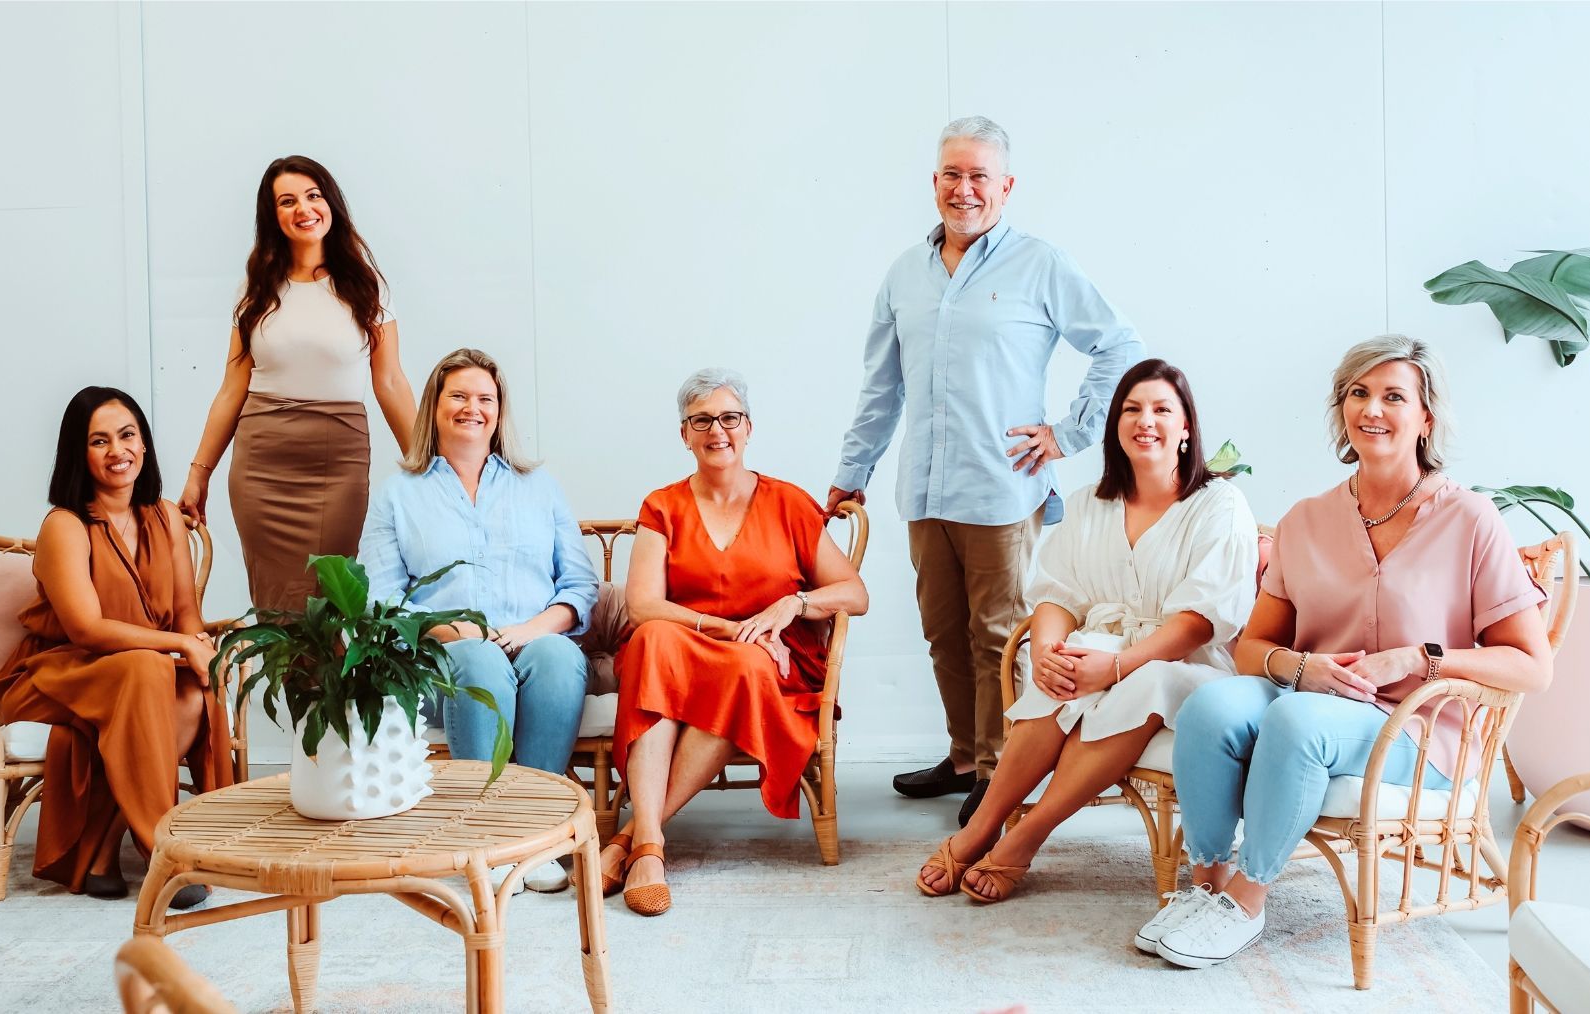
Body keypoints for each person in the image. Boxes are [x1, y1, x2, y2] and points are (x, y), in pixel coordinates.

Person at [1145, 335, 1555, 969]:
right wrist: (1304, 667)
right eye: (1358, 394)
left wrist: (1419, 658)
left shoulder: (1472, 519)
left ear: (1426, 417)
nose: (1372, 409)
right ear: (1341, 410)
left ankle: (1248, 900)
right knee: (1211, 706)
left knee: (1294, 720)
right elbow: (1254, 646)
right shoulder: (1307, 520)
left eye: (1394, 396)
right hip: (1309, 694)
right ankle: (1207, 886)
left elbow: (1532, 664)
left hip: (1419, 725)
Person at [828, 116, 1145, 823]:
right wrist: (853, 470)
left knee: (997, 634)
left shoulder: (1040, 265)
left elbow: (1118, 345)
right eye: (950, 174)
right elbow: (881, 386)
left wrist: (1069, 434)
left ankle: (1002, 771)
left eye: (977, 176)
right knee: (942, 631)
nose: (963, 188)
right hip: (925, 484)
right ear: (933, 182)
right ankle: (965, 756)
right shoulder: (903, 274)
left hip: (1002, 486)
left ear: (1005, 186)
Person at [915, 359, 1258, 903]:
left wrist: (1119, 666)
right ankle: (983, 824)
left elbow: (1200, 621)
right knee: (1070, 662)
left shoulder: (1219, 504)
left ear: (1187, 426)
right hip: (1105, 653)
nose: (1146, 421)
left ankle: (1027, 835)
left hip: (1191, 669)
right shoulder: (1088, 505)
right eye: (1132, 409)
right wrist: (1051, 649)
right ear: (1114, 425)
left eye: (1162, 409)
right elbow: (1056, 594)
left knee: (1148, 680)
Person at [604, 369, 868, 916]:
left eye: (729, 418)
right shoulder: (663, 506)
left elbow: (854, 592)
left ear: (748, 428)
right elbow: (643, 604)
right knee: (652, 638)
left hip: (768, 662)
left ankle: (634, 839)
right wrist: (725, 628)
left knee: (747, 666)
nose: (716, 430)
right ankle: (649, 844)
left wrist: (792, 604)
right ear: (684, 434)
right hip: (686, 650)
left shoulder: (789, 502)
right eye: (701, 420)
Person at [359, 349, 597, 894]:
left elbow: (579, 586)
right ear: (435, 407)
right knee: (476, 657)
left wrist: (532, 630)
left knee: (558, 657)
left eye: (485, 398)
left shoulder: (539, 487)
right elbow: (381, 597)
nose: (473, 408)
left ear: (499, 410)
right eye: (459, 396)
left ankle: (536, 839)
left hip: (533, 638)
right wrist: (454, 630)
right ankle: (485, 838)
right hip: (448, 654)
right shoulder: (400, 492)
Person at [0, 387, 234, 905]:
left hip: (133, 671)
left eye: (127, 435)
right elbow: (85, 629)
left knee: (196, 693)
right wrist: (176, 645)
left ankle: (102, 846)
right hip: (58, 673)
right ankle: (165, 855)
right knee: (149, 670)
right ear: (78, 454)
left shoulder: (166, 517)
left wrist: (199, 648)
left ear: (144, 444)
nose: (116, 450)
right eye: (98, 441)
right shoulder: (65, 525)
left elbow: (188, 614)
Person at [180, 155, 417, 611]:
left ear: (331, 203)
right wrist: (199, 475)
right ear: (273, 217)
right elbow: (232, 389)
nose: (303, 209)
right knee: (280, 608)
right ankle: (293, 688)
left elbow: (389, 382)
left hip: (338, 462)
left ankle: (331, 688)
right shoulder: (255, 290)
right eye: (286, 201)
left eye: (313, 195)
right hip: (261, 467)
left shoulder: (367, 287)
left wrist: (429, 469)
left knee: (330, 605)